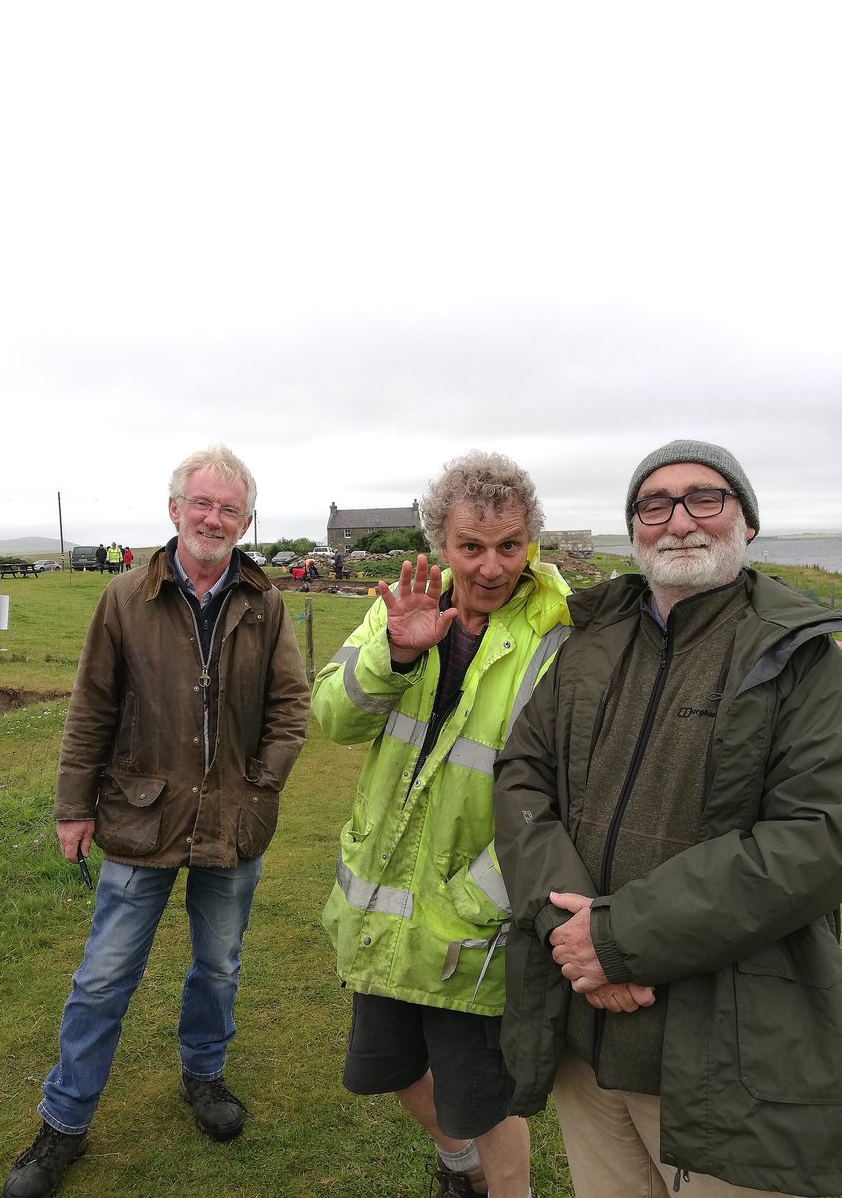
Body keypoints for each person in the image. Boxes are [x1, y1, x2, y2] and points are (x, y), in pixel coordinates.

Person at [494, 440, 842, 1198]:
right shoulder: (590, 643)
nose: (679, 520)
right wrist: (568, 926)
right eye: (654, 505)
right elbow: (522, 774)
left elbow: (815, 839)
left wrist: (618, 939)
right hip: (583, 1039)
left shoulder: (805, 657)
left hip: (727, 1054)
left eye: (705, 498)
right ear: (634, 530)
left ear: (746, 523)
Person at [2, 444, 310, 1198]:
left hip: (232, 825)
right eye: (201, 504)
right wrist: (73, 807)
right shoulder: (123, 599)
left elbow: (291, 706)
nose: (214, 518)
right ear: (175, 510)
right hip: (139, 821)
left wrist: (260, 784)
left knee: (220, 966)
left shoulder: (264, 603)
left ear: (245, 520)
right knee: (104, 979)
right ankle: (64, 1124)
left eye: (229, 509)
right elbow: (91, 711)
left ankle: (204, 1078)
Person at [313, 451, 572, 1198]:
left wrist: (485, 897)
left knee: (484, 1100)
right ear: (440, 543)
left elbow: (559, 789)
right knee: (392, 1073)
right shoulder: (397, 604)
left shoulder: (556, 635)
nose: (491, 567)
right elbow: (333, 719)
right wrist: (393, 652)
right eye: (471, 546)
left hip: (475, 915)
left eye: (509, 546)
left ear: (530, 541)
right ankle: (460, 1171)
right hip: (384, 896)